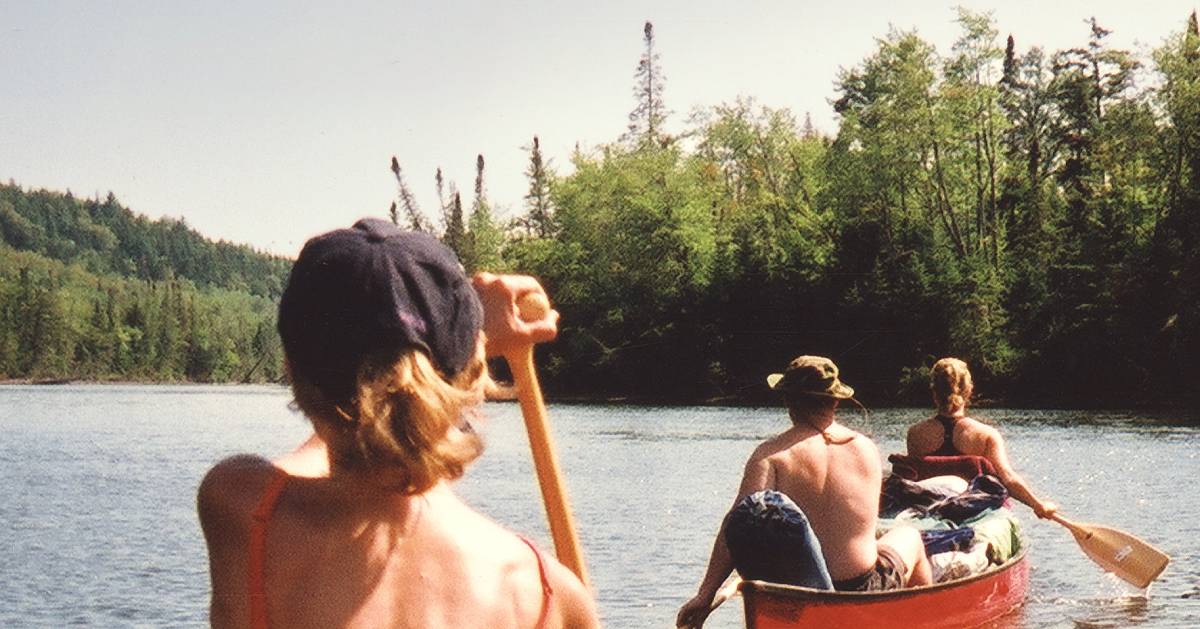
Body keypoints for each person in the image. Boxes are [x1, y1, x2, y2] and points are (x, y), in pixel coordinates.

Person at [197, 219, 599, 629]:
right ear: (475, 370)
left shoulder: (241, 508)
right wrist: (474, 346)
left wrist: (471, 343)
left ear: (292, 370)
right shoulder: (549, 596)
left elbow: (342, 434)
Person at [677, 356, 931, 628]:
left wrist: (705, 595)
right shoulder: (867, 449)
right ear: (835, 400)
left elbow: (735, 527)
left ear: (788, 400)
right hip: (864, 589)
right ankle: (928, 620)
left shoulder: (772, 456)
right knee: (910, 536)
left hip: (798, 596)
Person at [905, 357, 1058, 520]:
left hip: (931, 511)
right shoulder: (986, 435)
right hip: (973, 514)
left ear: (934, 392)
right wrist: (1038, 504)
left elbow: (914, 483)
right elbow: (1008, 478)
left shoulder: (915, 434)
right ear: (969, 390)